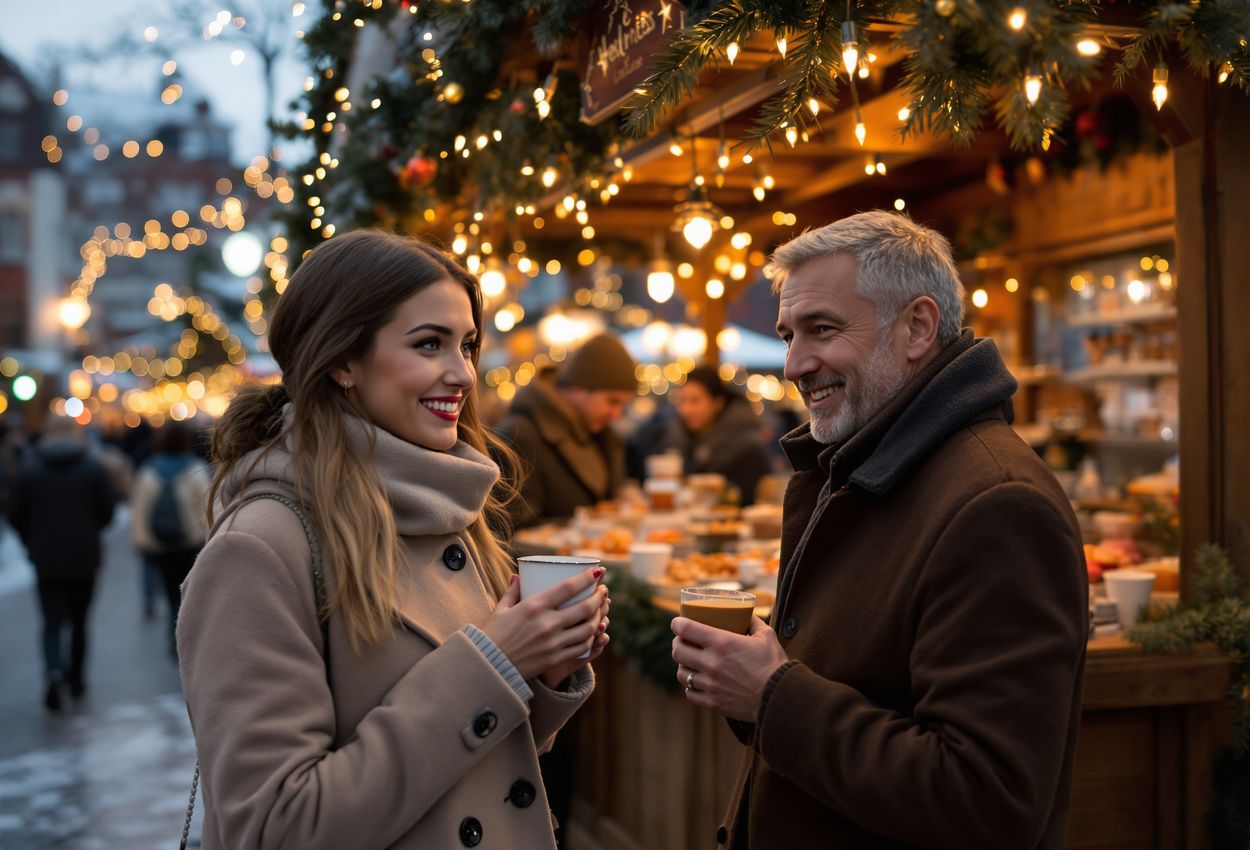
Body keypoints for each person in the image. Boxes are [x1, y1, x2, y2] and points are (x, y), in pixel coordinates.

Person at [177, 230, 611, 850]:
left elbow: (477, 765)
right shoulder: (261, 549)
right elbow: (275, 827)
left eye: (467, 344)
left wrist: (543, 669)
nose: (462, 373)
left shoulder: (451, 509)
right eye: (429, 343)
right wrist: (495, 664)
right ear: (342, 360)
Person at [670, 211, 1088, 849]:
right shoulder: (867, 469)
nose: (793, 364)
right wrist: (753, 680)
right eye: (787, 335)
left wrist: (772, 694)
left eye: (822, 330)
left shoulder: (997, 503)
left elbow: (989, 801)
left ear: (917, 326)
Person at [11, 415, 118, 711]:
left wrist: (30, 541)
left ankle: (53, 670)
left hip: (46, 558)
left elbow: (15, 514)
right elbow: (108, 511)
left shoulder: (30, 469)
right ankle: (77, 679)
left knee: (50, 621)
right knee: (80, 622)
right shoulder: (91, 467)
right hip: (84, 557)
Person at [496, 333, 638, 528]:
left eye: (623, 404)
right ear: (579, 388)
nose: (617, 414)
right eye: (612, 401)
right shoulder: (519, 435)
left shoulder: (602, 434)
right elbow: (512, 531)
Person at [131, 421, 211, 656]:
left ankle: (173, 634)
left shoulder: (148, 470)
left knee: (169, 592)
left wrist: (141, 541)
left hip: (160, 544)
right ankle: (185, 637)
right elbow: (206, 508)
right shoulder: (196, 469)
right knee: (187, 592)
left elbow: (139, 509)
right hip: (190, 542)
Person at [666, 365, 773, 505]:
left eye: (695, 401)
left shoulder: (746, 444)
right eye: (682, 401)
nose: (686, 410)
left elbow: (746, 498)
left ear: (718, 403)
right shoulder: (686, 439)